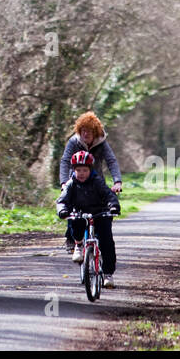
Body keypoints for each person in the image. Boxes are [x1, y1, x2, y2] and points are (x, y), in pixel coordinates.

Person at [58, 111, 122, 250]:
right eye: (83, 131)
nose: (85, 134)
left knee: (101, 213)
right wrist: (64, 182)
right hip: (75, 180)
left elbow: (111, 161)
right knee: (73, 209)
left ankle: (99, 243)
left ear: (96, 132)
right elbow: (65, 161)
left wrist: (117, 181)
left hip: (95, 180)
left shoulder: (102, 143)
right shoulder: (74, 141)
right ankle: (72, 238)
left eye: (89, 131)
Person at [56, 150, 121, 288]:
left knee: (106, 242)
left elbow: (109, 195)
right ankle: (78, 245)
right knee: (75, 222)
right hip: (80, 213)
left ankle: (108, 274)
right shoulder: (71, 184)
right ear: (73, 170)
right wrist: (62, 210)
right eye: (78, 170)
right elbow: (62, 200)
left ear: (90, 170)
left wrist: (113, 206)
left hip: (100, 213)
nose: (81, 173)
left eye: (85, 170)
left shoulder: (97, 181)